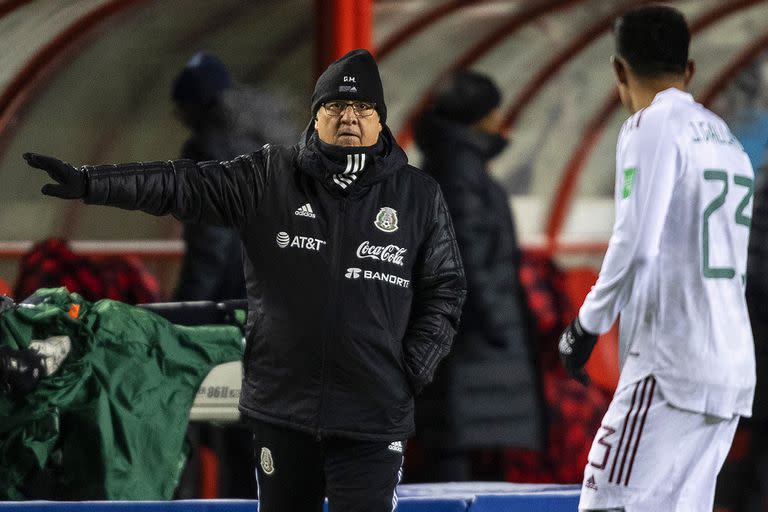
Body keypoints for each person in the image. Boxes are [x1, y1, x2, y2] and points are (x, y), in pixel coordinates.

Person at [23, 49, 466, 512]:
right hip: (282, 411)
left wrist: (411, 367)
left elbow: (446, 287)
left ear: (380, 120)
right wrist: (89, 183)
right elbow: (184, 185)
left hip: (373, 415)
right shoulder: (269, 176)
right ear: (316, 118)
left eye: (362, 108)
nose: (349, 118)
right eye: (335, 107)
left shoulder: (418, 196)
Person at [557, 6, 756, 511]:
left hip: (671, 364)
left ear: (619, 70)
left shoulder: (650, 125)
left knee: (605, 503)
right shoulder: (725, 138)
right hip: (730, 366)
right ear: (690, 70)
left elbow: (635, 243)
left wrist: (585, 325)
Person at [413, 70, 543, 481]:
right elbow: (464, 250)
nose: (499, 122)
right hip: (471, 338)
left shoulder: (454, 162)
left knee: (463, 450)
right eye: (493, 113)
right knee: (455, 453)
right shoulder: (460, 167)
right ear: (479, 117)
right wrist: (492, 321)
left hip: (470, 335)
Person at [171, 51, 298, 302]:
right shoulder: (278, 139)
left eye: (180, 110)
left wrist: (184, 308)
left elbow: (211, 241)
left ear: (194, 106)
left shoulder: (209, 150)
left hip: (235, 300)